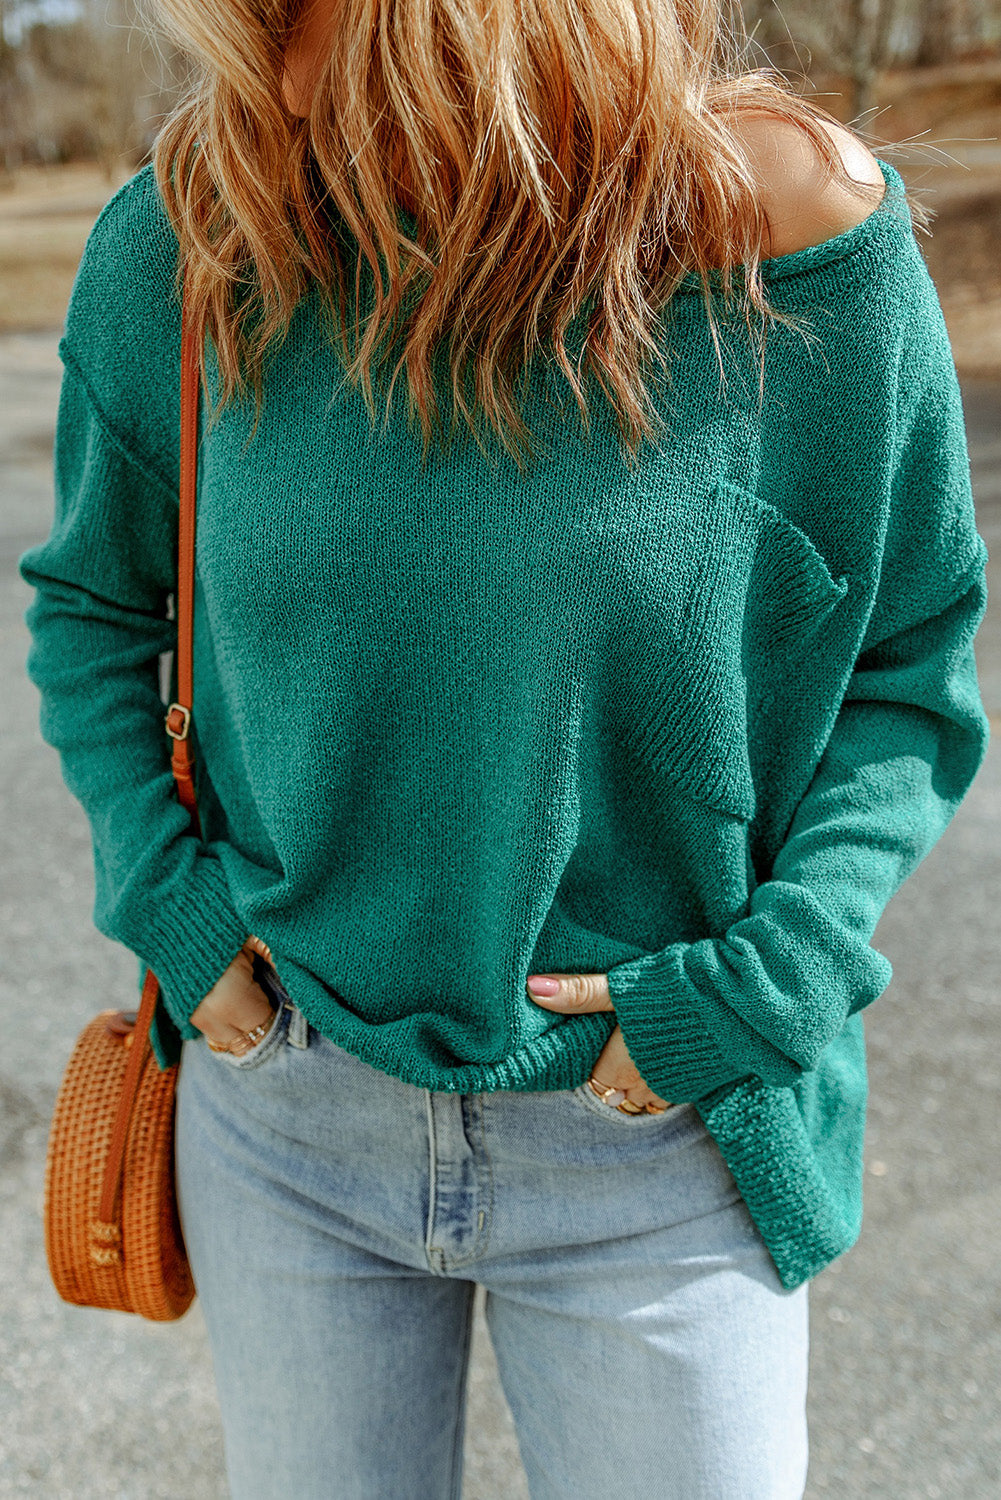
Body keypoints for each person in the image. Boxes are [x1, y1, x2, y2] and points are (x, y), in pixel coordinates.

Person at [18, 0, 990, 1491]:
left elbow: (905, 664)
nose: (263, 61)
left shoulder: (792, 237)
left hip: (667, 1141)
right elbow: (94, 603)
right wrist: (175, 914)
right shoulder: (203, 233)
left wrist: (770, 981)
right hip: (287, 1112)